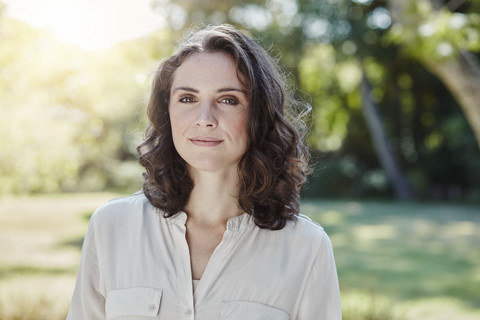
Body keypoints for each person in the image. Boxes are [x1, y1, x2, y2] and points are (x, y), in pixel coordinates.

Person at [67, 24, 341, 319]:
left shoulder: (307, 248)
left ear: (257, 115)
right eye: (187, 98)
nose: (205, 119)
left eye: (228, 100)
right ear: (167, 111)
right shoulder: (111, 227)